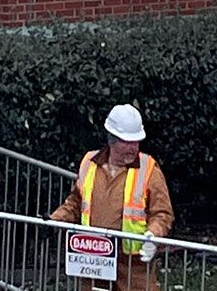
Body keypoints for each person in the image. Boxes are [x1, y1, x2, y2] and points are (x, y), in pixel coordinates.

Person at [49, 103, 174, 284]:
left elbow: (162, 213)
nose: (133, 148)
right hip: (95, 258)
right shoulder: (89, 163)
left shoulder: (149, 170)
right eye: (127, 142)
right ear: (112, 140)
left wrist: (153, 235)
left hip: (133, 264)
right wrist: (54, 220)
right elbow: (76, 202)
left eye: (136, 142)